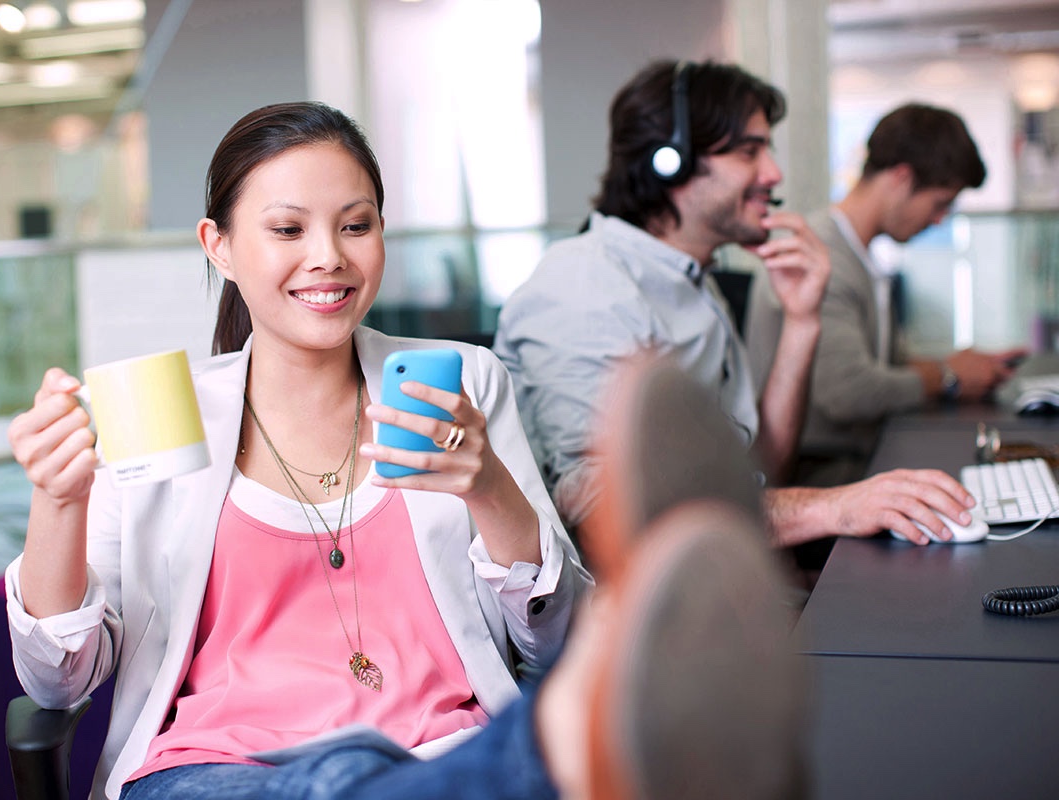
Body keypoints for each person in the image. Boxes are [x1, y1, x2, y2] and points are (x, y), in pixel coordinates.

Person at [6, 100, 592, 800]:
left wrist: (489, 489)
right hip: (216, 771)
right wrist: (58, 501)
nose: (329, 257)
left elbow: (555, 642)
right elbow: (57, 679)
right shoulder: (163, 411)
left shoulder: (461, 385)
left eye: (357, 225)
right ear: (217, 245)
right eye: (288, 228)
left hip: (439, 752)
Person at [493, 59, 979, 551]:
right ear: (670, 161)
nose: (774, 172)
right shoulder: (584, 286)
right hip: (648, 616)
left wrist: (801, 322)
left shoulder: (699, 286)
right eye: (749, 152)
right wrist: (834, 508)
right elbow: (614, 512)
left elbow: (761, 471)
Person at [348, 353, 807, 800]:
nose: (328, 267)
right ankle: (584, 721)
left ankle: (593, 712)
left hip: (472, 742)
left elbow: (549, 638)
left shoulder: (472, 382)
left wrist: (490, 488)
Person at [746, 103, 1027, 486]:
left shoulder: (860, 256)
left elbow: (888, 365)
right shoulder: (819, 256)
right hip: (817, 473)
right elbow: (851, 392)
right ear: (900, 178)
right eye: (940, 203)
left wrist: (962, 367)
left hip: (856, 456)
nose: (940, 219)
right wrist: (949, 377)